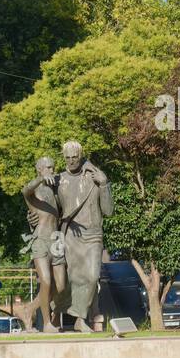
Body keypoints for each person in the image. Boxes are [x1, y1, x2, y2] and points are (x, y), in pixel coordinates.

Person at [54, 141, 112, 332]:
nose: (71, 161)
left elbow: (109, 211)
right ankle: (69, 317)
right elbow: (50, 210)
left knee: (93, 276)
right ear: (64, 158)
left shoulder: (94, 178)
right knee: (72, 278)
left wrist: (104, 185)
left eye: (75, 157)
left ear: (81, 156)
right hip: (70, 234)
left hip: (93, 234)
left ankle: (80, 316)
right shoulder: (58, 180)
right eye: (67, 158)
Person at [22, 157, 65, 332]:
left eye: (53, 167)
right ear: (39, 169)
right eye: (47, 167)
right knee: (46, 281)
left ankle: (30, 308)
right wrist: (41, 179)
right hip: (40, 240)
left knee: (61, 286)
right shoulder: (33, 193)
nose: (51, 170)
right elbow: (25, 190)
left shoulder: (55, 192)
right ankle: (46, 323)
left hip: (57, 239)